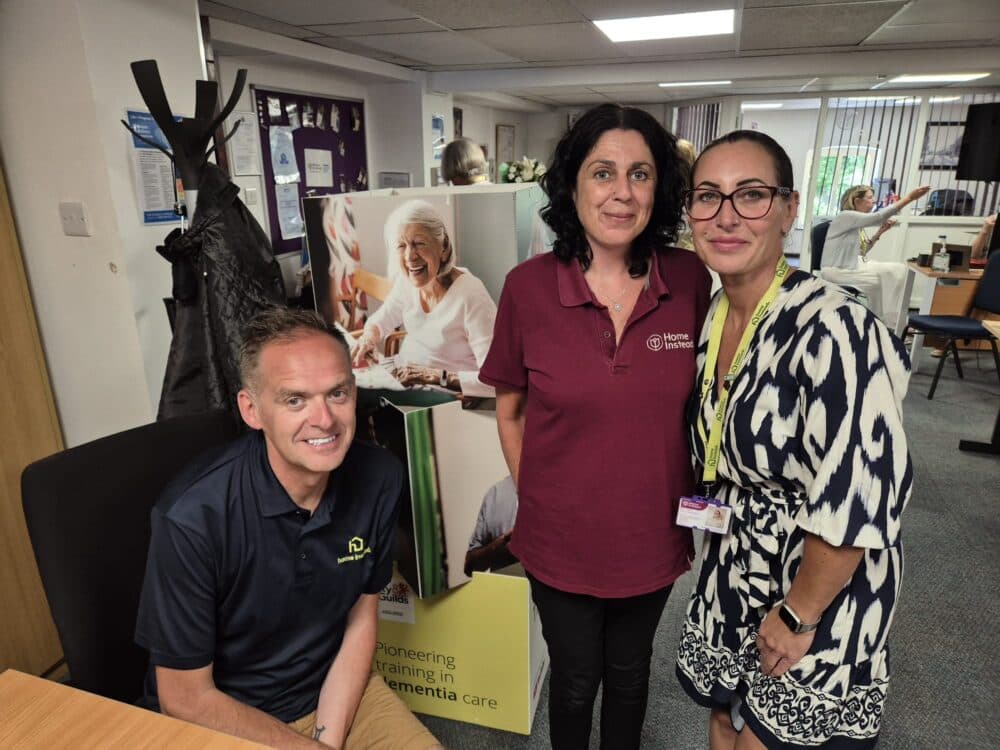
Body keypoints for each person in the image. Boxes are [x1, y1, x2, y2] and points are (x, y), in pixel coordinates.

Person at [480, 103, 712, 750]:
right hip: (559, 541)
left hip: (652, 535)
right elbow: (510, 409)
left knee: (631, 675)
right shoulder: (526, 288)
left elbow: (711, 407)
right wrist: (543, 500)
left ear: (657, 189)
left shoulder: (689, 280)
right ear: (572, 185)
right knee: (576, 679)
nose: (621, 192)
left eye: (639, 174)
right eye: (602, 172)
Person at [674, 130, 912, 749]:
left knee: (766, 739)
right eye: (707, 196)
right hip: (736, 558)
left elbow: (860, 496)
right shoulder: (716, 313)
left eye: (750, 195)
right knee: (724, 722)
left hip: (816, 577)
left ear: (789, 207)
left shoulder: (838, 328)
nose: (726, 217)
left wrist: (800, 613)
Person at [135, 307, 441, 750]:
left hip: (334, 693)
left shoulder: (380, 477)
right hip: (223, 714)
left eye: (337, 393)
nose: (325, 420)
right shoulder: (192, 516)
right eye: (295, 399)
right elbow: (185, 698)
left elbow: (360, 622)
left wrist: (326, 740)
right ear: (252, 409)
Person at [352, 200, 496, 398]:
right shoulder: (407, 282)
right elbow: (381, 320)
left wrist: (434, 376)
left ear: (443, 247)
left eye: (419, 243)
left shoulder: (471, 294)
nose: (410, 256)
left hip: (444, 394)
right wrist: (368, 338)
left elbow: (496, 381)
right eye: (401, 245)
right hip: (404, 378)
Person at [820, 182, 930, 328]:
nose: (874, 201)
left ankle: (881, 323)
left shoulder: (855, 223)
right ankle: (890, 323)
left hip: (851, 267)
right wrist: (909, 198)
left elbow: (862, 252)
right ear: (857, 201)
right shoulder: (845, 216)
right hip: (837, 271)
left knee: (891, 275)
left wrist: (880, 232)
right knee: (892, 274)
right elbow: (878, 217)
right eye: (870, 198)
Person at [463, 475, 519, 576]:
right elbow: (470, 566)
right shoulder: (494, 494)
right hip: (502, 590)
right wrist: (497, 548)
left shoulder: (555, 489)